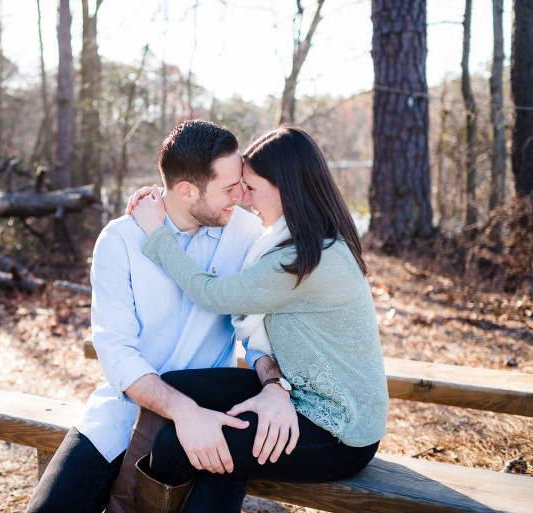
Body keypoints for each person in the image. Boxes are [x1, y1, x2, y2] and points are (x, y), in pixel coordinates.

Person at [26, 120, 289, 513]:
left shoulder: (248, 234)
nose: (242, 197)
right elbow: (116, 351)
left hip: (211, 415)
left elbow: (257, 333)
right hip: (122, 413)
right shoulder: (121, 240)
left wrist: (273, 387)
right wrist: (182, 410)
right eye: (229, 188)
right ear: (186, 190)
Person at [129, 126, 389, 512]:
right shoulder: (301, 239)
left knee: (176, 445)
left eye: (250, 187)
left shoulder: (306, 259)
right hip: (301, 393)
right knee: (175, 391)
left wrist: (157, 233)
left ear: (286, 186)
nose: (244, 199)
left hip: (338, 431)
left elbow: (211, 295)